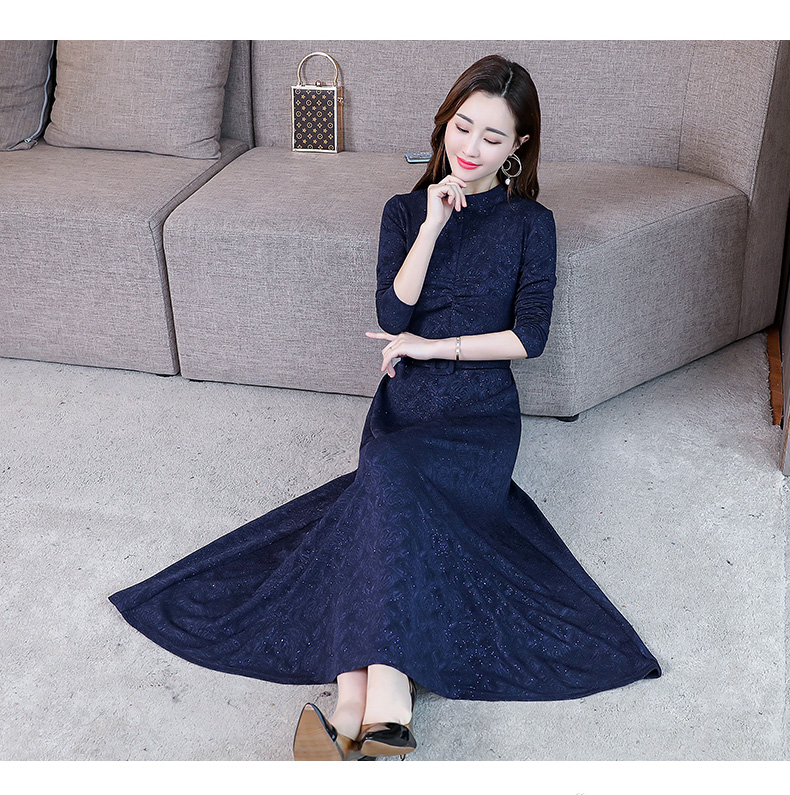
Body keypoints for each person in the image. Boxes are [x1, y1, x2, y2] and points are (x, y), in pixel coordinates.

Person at [108, 54, 661, 762]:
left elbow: (530, 338)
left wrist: (432, 347)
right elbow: (392, 312)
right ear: (444, 122)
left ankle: (358, 706)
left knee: (384, 483)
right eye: (462, 127)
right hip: (406, 405)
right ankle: (378, 717)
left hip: (478, 417)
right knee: (387, 480)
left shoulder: (532, 224)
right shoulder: (403, 212)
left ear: (519, 146)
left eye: (493, 137)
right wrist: (432, 224)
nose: (471, 147)